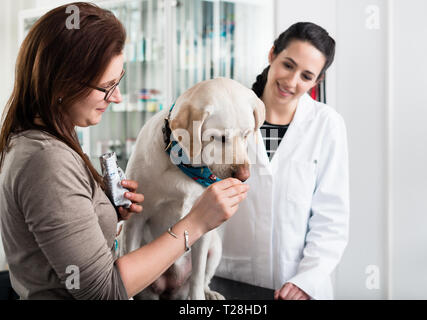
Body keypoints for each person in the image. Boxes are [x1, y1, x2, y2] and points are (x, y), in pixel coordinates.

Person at [0, 2, 248, 300]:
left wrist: (95, 205)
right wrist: (195, 224)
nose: (116, 97)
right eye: (107, 86)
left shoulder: (38, 141)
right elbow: (104, 291)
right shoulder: (47, 161)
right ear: (63, 83)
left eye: (119, 81)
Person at [215, 22, 350, 300]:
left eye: (306, 75)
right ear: (272, 54)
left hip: (298, 286)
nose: (291, 81)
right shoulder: (229, 116)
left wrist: (308, 280)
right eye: (288, 65)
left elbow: (331, 217)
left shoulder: (327, 125)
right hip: (230, 280)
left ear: (317, 81)